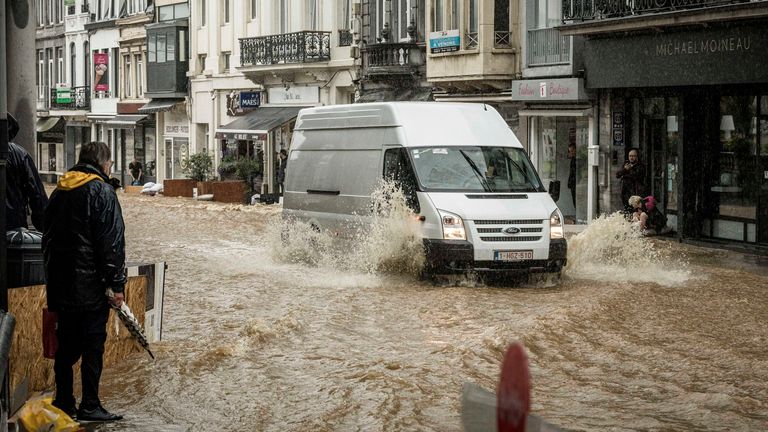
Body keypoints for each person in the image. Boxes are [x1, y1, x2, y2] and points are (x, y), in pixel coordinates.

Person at [43, 141, 126, 422]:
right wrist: (117, 285)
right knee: (93, 344)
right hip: (90, 286)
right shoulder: (102, 191)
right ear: (104, 163)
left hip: (61, 285)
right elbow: (111, 243)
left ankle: (64, 400)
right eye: (110, 163)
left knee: (66, 344)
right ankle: (90, 403)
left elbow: (46, 238)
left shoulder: (59, 192)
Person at [5, 112, 48, 231]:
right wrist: (43, 227)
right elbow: (37, 194)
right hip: (14, 224)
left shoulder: (18, 154)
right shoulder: (19, 154)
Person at [567, 143, 577, 207]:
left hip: (576, 182)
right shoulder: (573, 159)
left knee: (576, 200)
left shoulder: (577, 160)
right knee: (574, 200)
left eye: (572, 151)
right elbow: (571, 172)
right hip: (573, 182)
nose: (571, 153)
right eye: (570, 151)